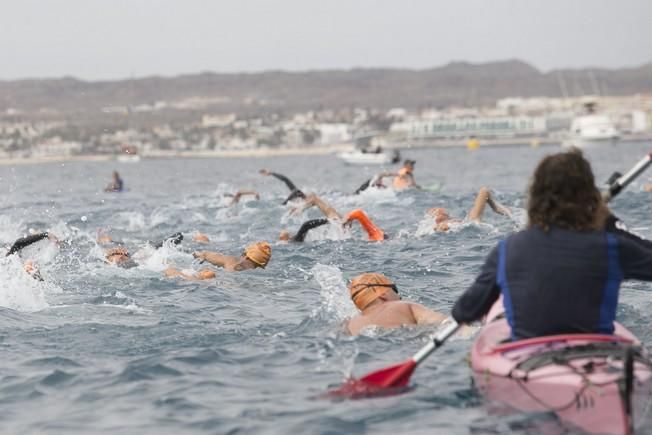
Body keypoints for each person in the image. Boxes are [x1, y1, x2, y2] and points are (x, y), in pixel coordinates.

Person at [452, 150, 652, 340]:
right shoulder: (610, 247)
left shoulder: (509, 249)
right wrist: (611, 223)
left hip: (527, 359)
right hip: (593, 353)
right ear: (589, 198)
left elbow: (464, 311)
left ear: (535, 198)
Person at [346, 273, 447, 335]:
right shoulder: (404, 306)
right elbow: (444, 323)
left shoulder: (349, 324)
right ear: (383, 295)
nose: (399, 297)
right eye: (395, 290)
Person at [292, 193, 386, 241]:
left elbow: (358, 213)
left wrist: (344, 221)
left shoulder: (376, 235)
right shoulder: (376, 235)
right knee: (331, 215)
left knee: (330, 215)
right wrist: (344, 221)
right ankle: (302, 206)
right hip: (338, 223)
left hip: (337, 223)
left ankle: (301, 206)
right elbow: (358, 213)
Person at [427, 187, 511, 232]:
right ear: (436, 219)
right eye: (436, 211)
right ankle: (498, 210)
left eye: (439, 210)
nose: (439, 210)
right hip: (472, 222)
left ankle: (499, 210)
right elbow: (442, 228)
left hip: (470, 223)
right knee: (483, 191)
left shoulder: (449, 221)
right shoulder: (439, 225)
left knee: (484, 191)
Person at [193, 241, 271, 271]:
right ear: (245, 257)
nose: (254, 268)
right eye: (255, 264)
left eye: (258, 266)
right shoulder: (229, 261)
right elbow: (205, 254)